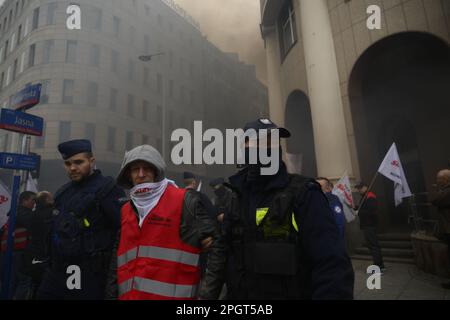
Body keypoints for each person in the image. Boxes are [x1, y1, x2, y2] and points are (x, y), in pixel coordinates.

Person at [222, 118, 354, 300]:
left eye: (274, 142)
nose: (270, 147)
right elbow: (223, 253)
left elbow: (332, 266)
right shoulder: (236, 196)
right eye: (261, 142)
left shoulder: (304, 193)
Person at [105, 145, 225, 300]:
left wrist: (207, 297)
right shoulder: (125, 210)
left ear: (156, 171)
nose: (141, 174)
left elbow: (217, 249)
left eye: (147, 168)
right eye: (135, 169)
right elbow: (116, 266)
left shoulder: (185, 202)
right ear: (128, 175)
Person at [37, 139, 125, 300]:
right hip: (57, 273)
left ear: (92, 161)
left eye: (79, 162)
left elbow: (123, 234)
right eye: (67, 163)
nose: (72, 168)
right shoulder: (63, 192)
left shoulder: (108, 189)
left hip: (89, 277)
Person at [1, 191, 36, 299]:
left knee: (11, 281)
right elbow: (33, 224)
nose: (34, 203)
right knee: (24, 280)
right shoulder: (24, 213)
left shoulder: (14, 212)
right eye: (33, 200)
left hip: (9, 251)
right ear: (24, 201)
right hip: (18, 252)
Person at [29, 191, 54, 299]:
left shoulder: (32, 214)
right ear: (47, 200)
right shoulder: (52, 213)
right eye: (51, 198)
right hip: (47, 254)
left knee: (35, 284)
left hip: (34, 253)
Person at [354, 182, 385, 271]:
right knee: (371, 245)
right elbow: (362, 208)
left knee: (374, 245)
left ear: (366, 187)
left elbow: (372, 211)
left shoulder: (370, 196)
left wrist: (359, 212)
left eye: (360, 188)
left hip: (370, 225)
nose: (359, 190)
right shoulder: (364, 197)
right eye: (358, 188)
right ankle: (377, 263)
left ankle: (379, 266)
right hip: (366, 225)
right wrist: (355, 208)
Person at [430, 169, 450, 289]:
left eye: (439, 179)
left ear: (445, 179)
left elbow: (435, 200)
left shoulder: (447, 191)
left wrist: (438, 189)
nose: (437, 181)